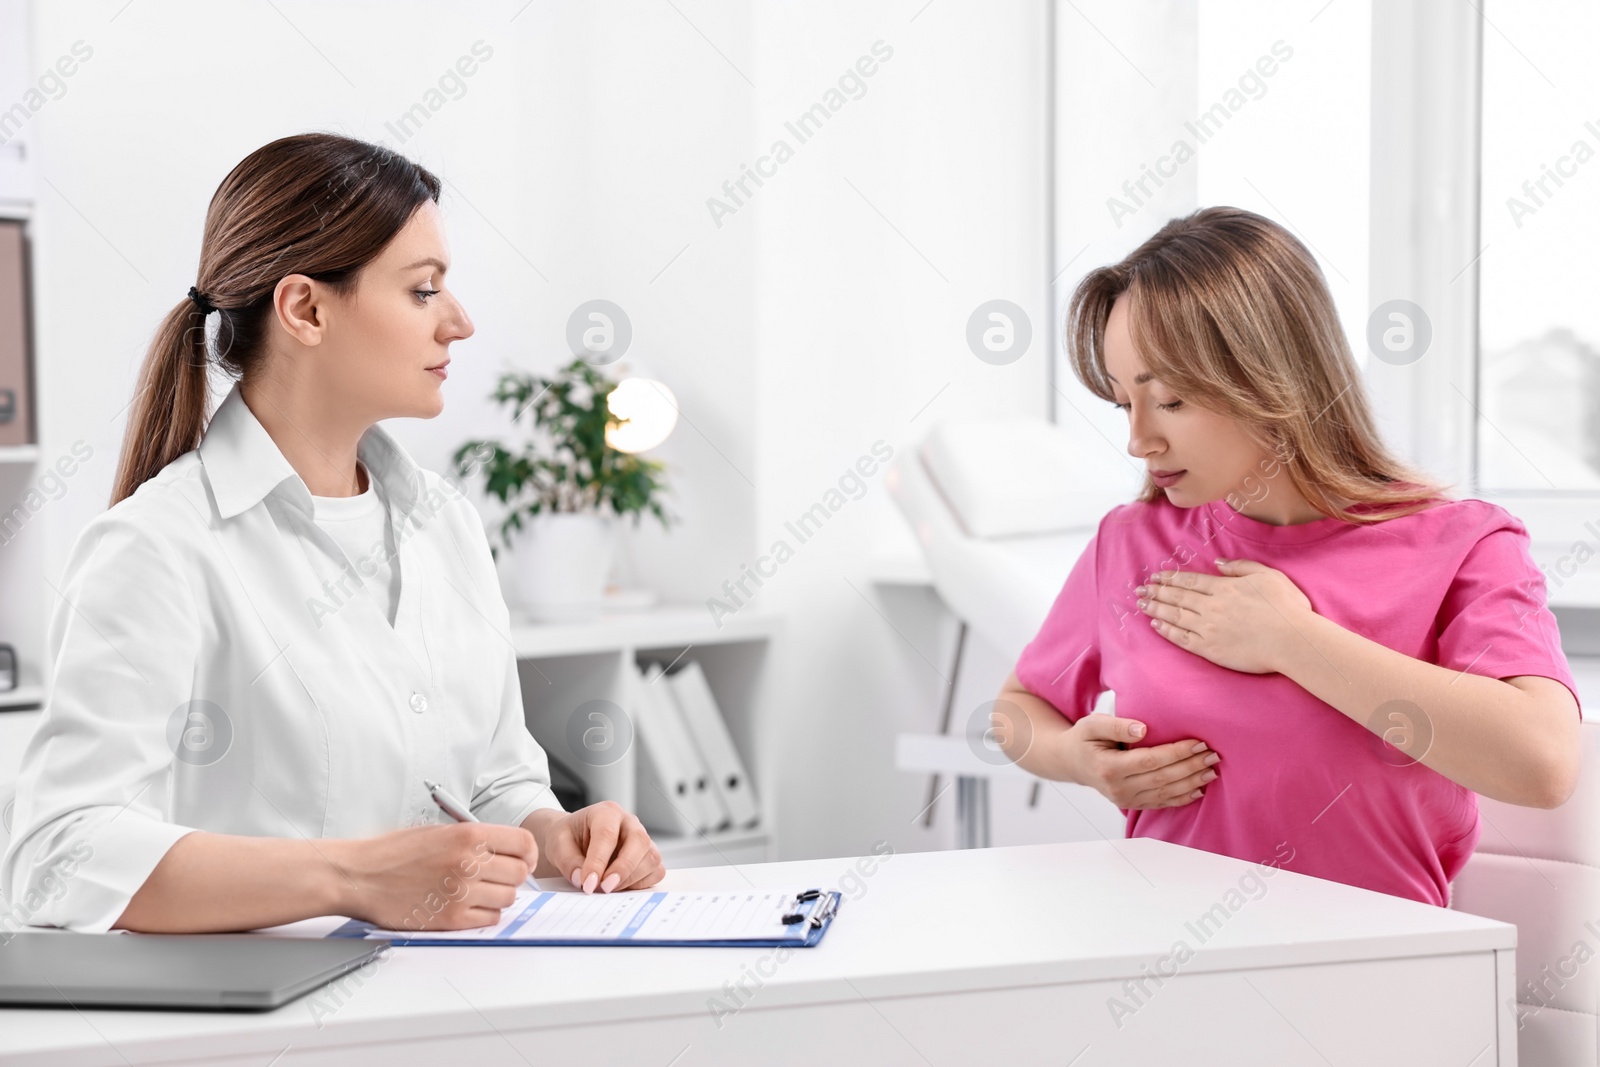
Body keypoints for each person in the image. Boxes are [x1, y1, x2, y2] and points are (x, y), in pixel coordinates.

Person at [0, 132, 664, 934]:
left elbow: (491, 781)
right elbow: (57, 852)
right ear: (306, 309)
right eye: (424, 291)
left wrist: (558, 833)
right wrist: (352, 876)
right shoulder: (158, 548)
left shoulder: (444, 523)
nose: (460, 322)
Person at [994, 206, 1581, 907]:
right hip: (1163, 963)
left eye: (1171, 400)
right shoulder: (1129, 543)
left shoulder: (1465, 544)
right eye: (1125, 405)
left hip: (1382, 972)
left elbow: (1542, 764)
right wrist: (1075, 760)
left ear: (1271, 378)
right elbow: (1018, 707)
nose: (1140, 440)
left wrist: (1291, 639)